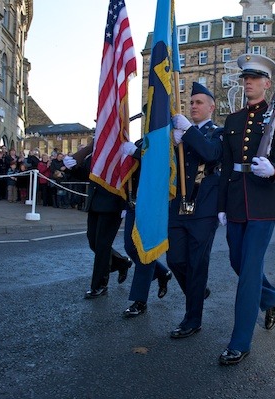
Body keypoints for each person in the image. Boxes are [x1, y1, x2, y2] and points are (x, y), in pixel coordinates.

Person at [216, 54, 275, 365]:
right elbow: (224, 166)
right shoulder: (232, 121)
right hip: (235, 199)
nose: (247, 82)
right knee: (237, 261)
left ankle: (240, 341)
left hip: (262, 202)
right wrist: (222, 205)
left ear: (267, 84)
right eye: (245, 78)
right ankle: (271, 297)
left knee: (248, 273)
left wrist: (273, 169)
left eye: (254, 78)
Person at [165, 82, 223, 338]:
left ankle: (192, 320)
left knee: (198, 264)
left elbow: (210, 154)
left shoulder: (218, 133)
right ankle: (197, 292)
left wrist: (188, 132)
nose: (193, 106)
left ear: (211, 107)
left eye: (199, 103)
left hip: (203, 209)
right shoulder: (181, 135)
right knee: (175, 259)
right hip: (179, 206)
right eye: (191, 102)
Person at [63, 143, 132, 299]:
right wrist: (73, 166)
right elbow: (86, 174)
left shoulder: (121, 152)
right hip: (95, 203)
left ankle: (100, 284)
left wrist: (124, 204)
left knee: (102, 246)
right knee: (93, 242)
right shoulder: (96, 153)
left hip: (113, 204)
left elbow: (127, 178)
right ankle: (121, 262)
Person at [119, 138, 173, 317]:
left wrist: (135, 153)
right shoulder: (142, 141)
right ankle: (162, 272)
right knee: (130, 247)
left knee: (145, 250)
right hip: (135, 204)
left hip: (153, 204)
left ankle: (139, 300)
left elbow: (158, 164)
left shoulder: (164, 137)